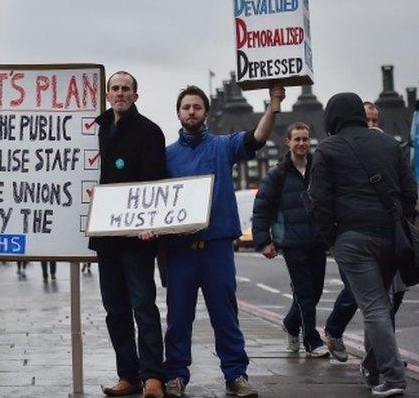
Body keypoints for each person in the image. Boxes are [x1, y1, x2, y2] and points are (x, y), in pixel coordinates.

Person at [163, 84, 284, 398]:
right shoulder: (166, 156)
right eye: (186, 107)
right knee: (178, 317)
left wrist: (273, 105)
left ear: (205, 112)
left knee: (225, 316)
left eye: (197, 107)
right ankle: (175, 375)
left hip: (216, 246)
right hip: (179, 250)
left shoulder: (223, 145)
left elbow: (257, 138)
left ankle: (235, 375)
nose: (192, 112)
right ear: (178, 113)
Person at [309, 93, 415, 396]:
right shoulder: (389, 144)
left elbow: (319, 202)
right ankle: (372, 371)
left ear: (333, 116)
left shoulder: (327, 149)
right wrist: (397, 223)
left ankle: (393, 378)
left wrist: (333, 239)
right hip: (388, 237)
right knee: (380, 303)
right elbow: (410, 192)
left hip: (352, 239)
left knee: (374, 309)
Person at [90, 71, 166, 398]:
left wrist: (151, 224)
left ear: (136, 95)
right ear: (107, 94)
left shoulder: (150, 131)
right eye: (115, 89)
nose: (120, 93)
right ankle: (128, 375)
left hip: (138, 235)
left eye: (126, 89)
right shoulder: (99, 128)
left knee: (143, 306)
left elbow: (155, 183)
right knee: (115, 310)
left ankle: (152, 377)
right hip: (107, 235)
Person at [251, 123, 329, 358]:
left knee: (315, 292)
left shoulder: (319, 170)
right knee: (305, 292)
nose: (302, 143)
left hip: (317, 241)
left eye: (305, 139)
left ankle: (290, 323)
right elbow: (261, 209)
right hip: (292, 243)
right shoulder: (278, 175)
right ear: (288, 142)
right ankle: (312, 342)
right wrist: (264, 241)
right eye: (297, 139)